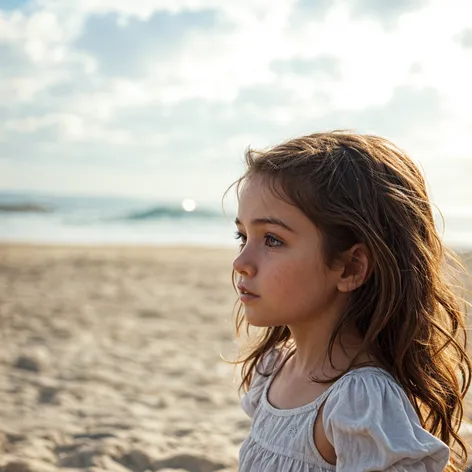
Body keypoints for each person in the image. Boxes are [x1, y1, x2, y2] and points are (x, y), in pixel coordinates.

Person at [229, 131, 471, 471]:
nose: (241, 262)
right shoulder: (276, 367)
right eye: (242, 236)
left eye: (272, 239)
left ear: (350, 267)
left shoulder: (361, 402)